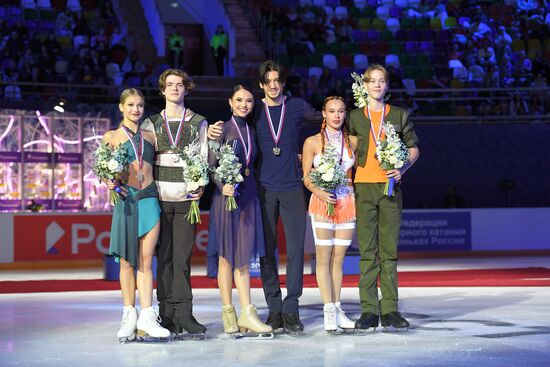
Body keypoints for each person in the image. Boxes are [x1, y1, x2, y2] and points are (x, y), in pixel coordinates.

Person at [209, 60, 322, 334]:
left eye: (278, 80)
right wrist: (213, 129)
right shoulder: (254, 108)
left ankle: (292, 308)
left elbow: (329, 119)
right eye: (268, 81)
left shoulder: (297, 107)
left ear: (283, 83)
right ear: (261, 85)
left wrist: (312, 154)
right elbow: (228, 128)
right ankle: (274, 308)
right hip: (263, 189)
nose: (273, 85)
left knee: (295, 250)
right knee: (267, 252)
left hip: (294, 187)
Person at [347, 64, 419, 331]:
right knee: (367, 252)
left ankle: (389, 308)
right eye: (372, 81)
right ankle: (368, 309)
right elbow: (346, 152)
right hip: (363, 187)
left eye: (381, 81)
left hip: (390, 188)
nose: (376, 85)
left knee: (389, 251)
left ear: (387, 86)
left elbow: (414, 148)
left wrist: (403, 168)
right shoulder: (354, 116)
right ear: (365, 86)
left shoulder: (399, 115)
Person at [141, 69, 209, 337]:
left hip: (186, 198)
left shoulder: (198, 122)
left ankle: (184, 313)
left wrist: (200, 185)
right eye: (169, 85)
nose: (174, 89)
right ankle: (165, 313)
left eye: (179, 85)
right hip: (156, 199)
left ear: (186, 89)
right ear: (162, 89)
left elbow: (204, 157)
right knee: (164, 258)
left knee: (182, 258)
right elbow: (143, 161)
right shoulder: (151, 123)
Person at [103, 88, 170, 342]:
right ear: (121, 107)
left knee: (145, 259)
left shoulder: (150, 136)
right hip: (126, 200)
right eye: (130, 105)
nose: (136, 110)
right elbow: (103, 170)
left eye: (140, 105)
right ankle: (129, 314)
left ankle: (147, 316)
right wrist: (108, 182)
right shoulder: (111, 136)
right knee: (127, 262)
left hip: (150, 198)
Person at [208, 85, 273, 336]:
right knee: (226, 256)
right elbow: (210, 166)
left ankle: (247, 312)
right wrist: (221, 184)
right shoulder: (221, 128)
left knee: (244, 257)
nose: (244, 104)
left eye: (248, 100)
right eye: (239, 100)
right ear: (230, 102)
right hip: (226, 197)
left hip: (248, 195)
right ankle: (228, 312)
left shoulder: (252, 130)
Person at [302, 96, 358, 333]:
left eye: (341, 111)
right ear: (323, 114)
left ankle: (338, 307)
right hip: (322, 202)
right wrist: (321, 193)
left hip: (347, 202)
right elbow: (306, 177)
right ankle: (328, 310)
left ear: (345, 114)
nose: (337, 115)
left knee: (339, 259)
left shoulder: (353, 142)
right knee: (323, 258)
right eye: (332, 111)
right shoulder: (312, 142)